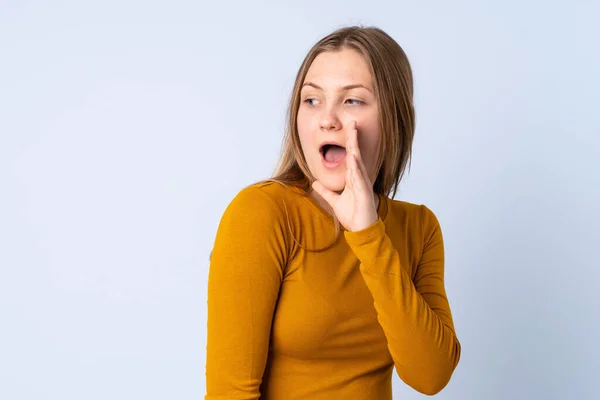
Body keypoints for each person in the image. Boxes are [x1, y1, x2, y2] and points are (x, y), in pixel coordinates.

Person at [205, 25, 461, 399]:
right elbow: (230, 393)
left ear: (393, 118)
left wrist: (369, 236)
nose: (327, 119)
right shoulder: (262, 213)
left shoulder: (418, 227)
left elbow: (431, 375)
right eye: (312, 100)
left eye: (352, 101)